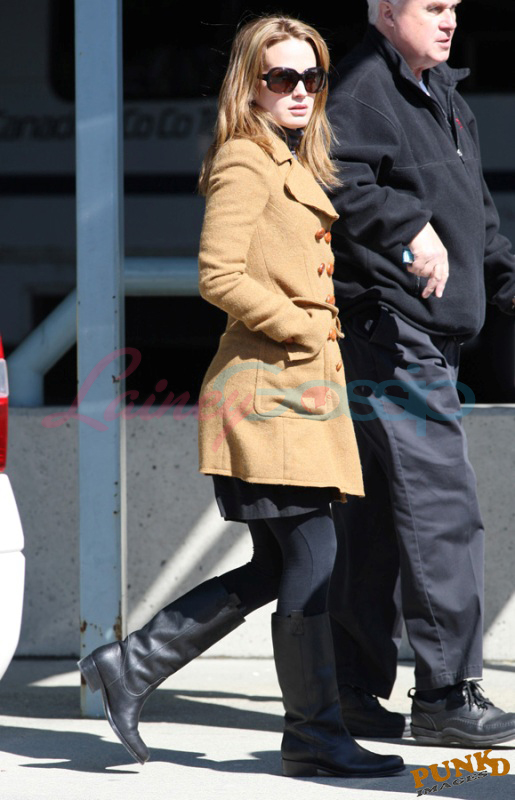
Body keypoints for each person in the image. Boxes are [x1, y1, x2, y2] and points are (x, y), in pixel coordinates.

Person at [77, 15, 404, 779]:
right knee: (312, 557)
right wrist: (302, 326)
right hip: (266, 395)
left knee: (278, 564)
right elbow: (217, 274)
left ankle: (130, 665)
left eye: (311, 77)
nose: (299, 91)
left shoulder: (290, 158)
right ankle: (314, 735)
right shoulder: (244, 159)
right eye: (280, 77)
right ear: (248, 86)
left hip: (296, 394)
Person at [326, 0, 515, 745]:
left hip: (427, 333)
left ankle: (347, 689)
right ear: (384, 11)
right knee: (442, 512)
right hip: (391, 332)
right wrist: (408, 228)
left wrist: (506, 285)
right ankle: (445, 696)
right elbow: (333, 177)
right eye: (432, 7)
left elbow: (481, 224)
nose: (449, 21)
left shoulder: (442, 94)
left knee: (374, 518)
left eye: (454, 7)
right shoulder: (362, 89)